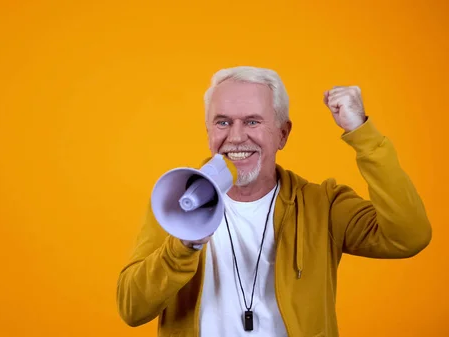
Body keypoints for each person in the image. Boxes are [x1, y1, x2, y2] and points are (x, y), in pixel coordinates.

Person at [116, 66, 432, 336]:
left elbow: (409, 236)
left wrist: (363, 134)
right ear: (209, 130)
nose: (236, 137)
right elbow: (132, 308)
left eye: (252, 121)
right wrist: (184, 246)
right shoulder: (174, 200)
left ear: (282, 134)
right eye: (223, 122)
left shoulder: (323, 206)